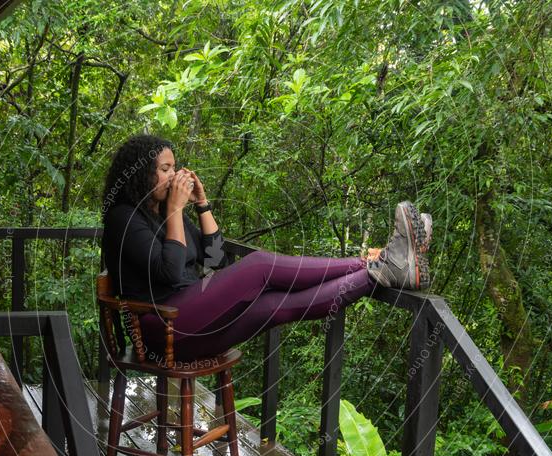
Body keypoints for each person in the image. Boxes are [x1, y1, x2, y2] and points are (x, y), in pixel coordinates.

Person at [101, 134, 432, 373]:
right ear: (141, 172)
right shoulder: (123, 217)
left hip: (193, 319)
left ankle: (385, 269)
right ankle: (380, 260)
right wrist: (175, 209)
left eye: (174, 167)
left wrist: (201, 205)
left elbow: (218, 262)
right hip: (163, 331)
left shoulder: (165, 214)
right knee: (259, 265)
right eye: (164, 168)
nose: (173, 176)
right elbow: (171, 273)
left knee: (274, 305)